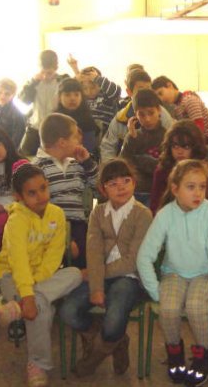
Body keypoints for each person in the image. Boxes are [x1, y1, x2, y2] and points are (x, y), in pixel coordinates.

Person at [137, 159, 208, 386]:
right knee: (168, 307)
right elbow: (145, 255)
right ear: (175, 189)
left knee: (197, 307)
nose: (198, 192)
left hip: (203, 274)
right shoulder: (165, 214)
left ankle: (204, 352)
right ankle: (174, 351)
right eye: (190, 187)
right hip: (174, 274)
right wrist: (154, 289)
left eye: (202, 186)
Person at [59, 159, 152, 377]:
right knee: (68, 311)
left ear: (134, 184)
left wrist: (97, 280)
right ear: (103, 189)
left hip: (130, 277)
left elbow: (132, 260)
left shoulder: (143, 214)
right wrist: (96, 286)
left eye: (126, 181)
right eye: (113, 183)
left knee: (114, 317)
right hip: (98, 274)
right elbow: (93, 251)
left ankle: (93, 358)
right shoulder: (98, 213)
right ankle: (117, 341)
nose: (121, 187)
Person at [0, 163, 82, 387]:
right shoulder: (16, 221)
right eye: (31, 193)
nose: (41, 196)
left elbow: (54, 258)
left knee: (74, 273)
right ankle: (37, 365)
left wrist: (32, 292)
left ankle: (13, 309)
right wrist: (27, 296)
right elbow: (19, 262)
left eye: (43, 188)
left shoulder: (57, 214)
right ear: (19, 197)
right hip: (12, 277)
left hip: (43, 278)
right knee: (42, 307)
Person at [33, 113, 98, 269]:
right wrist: (64, 238)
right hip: (49, 225)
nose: (80, 141)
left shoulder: (77, 164)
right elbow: (35, 206)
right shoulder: (37, 168)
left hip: (77, 223)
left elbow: (98, 187)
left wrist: (88, 163)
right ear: (62, 142)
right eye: (75, 137)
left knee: (88, 253)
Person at [100, 69, 173, 162]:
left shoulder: (163, 115)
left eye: (148, 88)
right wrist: (112, 169)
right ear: (129, 92)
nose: (147, 119)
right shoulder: (121, 118)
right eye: (141, 89)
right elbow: (108, 148)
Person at [150, 120, 208, 214]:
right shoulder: (162, 171)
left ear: (195, 147)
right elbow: (155, 206)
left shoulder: (205, 171)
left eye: (185, 147)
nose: (180, 151)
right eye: (175, 146)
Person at [152, 75, 208, 162]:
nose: (161, 99)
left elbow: (199, 127)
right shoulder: (177, 105)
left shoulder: (189, 100)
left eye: (161, 93)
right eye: (158, 97)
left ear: (169, 85)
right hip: (198, 140)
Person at [119, 89, 166, 207]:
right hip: (134, 191)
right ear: (135, 114)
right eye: (141, 114)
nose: (147, 119)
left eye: (151, 113)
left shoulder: (167, 136)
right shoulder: (133, 136)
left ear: (159, 110)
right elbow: (123, 164)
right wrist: (132, 138)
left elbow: (164, 167)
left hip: (158, 192)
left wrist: (139, 160)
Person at [18, 50, 69, 156]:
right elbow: (24, 100)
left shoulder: (63, 81)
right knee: (24, 155)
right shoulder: (34, 82)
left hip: (56, 129)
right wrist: (33, 82)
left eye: (49, 73)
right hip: (35, 128)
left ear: (56, 68)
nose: (46, 76)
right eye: (43, 72)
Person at [67, 55, 122, 134]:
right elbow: (70, 89)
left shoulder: (105, 95)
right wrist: (76, 71)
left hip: (104, 133)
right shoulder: (82, 97)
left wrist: (97, 78)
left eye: (92, 88)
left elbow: (116, 92)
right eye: (85, 89)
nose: (89, 91)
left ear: (100, 85)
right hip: (84, 131)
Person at [0, 128, 24, 251]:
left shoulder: (20, 165)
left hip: (16, 212)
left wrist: (5, 208)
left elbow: (27, 198)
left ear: (5, 142)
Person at [54, 78, 99, 153]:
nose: (72, 98)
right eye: (67, 95)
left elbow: (89, 147)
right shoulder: (54, 119)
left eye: (76, 95)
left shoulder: (87, 119)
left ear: (82, 97)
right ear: (59, 98)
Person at [0, 78, 26, 149]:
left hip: (6, 151)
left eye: (7, 94)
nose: (2, 96)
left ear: (13, 95)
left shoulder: (18, 116)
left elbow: (16, 141)